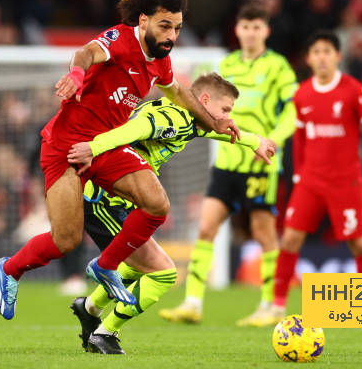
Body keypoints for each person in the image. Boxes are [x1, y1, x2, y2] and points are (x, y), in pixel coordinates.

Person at [0, 0, 240, 320]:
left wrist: (213, 122)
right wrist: (78, 75)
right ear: (143, 21)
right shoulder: (121, 39)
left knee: (157, 204)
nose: (172, 35)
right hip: (66, 147)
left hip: (105, 148)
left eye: (178, 28)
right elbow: (86, 52)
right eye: (165, 25)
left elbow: (181, 93)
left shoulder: (159, 60)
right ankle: (9, 270)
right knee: (65, 240)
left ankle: (106, 266)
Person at [67, 73, 276, 354]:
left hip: (126, 202)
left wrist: (255, 141)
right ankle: (105, 332)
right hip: (106, 201)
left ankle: (89, 307)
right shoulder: (173, 118)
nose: (228, 117)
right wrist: (93, 148)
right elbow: (135, 129)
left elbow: (217, 132)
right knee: (164, 273)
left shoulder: (191, 119)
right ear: (203, 101)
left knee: (134, 266)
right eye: (225, 109)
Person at [159, 4, 298, 326]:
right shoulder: (225, 64)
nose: (250, 32)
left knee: (264, 234)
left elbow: (293, 112)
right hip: (225, 162)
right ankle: (192, 303)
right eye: (245, 26)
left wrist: (274, 139)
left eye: (257, 27)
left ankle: (271, 307)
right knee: (206, 228)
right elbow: (195, 98)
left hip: (260, 164)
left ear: (266, 31)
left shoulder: (278, 67)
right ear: (237, 30)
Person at [254, 30, 362, 326]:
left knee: (361, 245)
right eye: (316, 52)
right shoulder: (302, 93)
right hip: (311, 182)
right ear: (308, 59)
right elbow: (301, 138)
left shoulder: (354, 90)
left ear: (337, 56)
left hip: (346, 182)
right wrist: (300, 176)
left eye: (327, 51)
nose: (321, 57)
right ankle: (277, 306)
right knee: (290, 239)